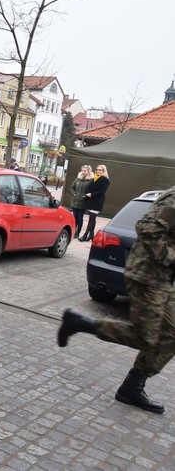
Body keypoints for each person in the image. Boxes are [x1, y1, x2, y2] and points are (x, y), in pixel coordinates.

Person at [57, 185, 175, 414]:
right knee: (147, 338)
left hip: (163, 279)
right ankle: (80, 323)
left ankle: (132, 387)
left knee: (172, 333)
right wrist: (171, 258)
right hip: (147, 275)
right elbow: (148, 228)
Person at [78, 165, 110, 242]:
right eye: (97, 169)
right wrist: (87, 193)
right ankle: (91, 234)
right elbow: (88, 188)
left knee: (92, 217)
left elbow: (102, 191)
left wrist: (91, 194)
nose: (98, 171)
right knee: (92, 218)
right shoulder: (94, 179)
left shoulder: (106, 180)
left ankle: (85, 235)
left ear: (103, 171)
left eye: (100, 170)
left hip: (98, 201)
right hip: (91, 201)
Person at [68, 165, 93, 239]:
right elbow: (72, 187)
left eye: (85, 171)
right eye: (82, 170)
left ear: (88, 171)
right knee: (74, 217)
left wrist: (85, 196)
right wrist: (74, 194)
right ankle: (73, 231)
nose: (83, 172)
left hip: (83, 202)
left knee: (80, 217)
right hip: (75, 200)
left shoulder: (91, 180)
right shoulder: (78, 178)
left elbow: (91, 190)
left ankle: (78, 232)